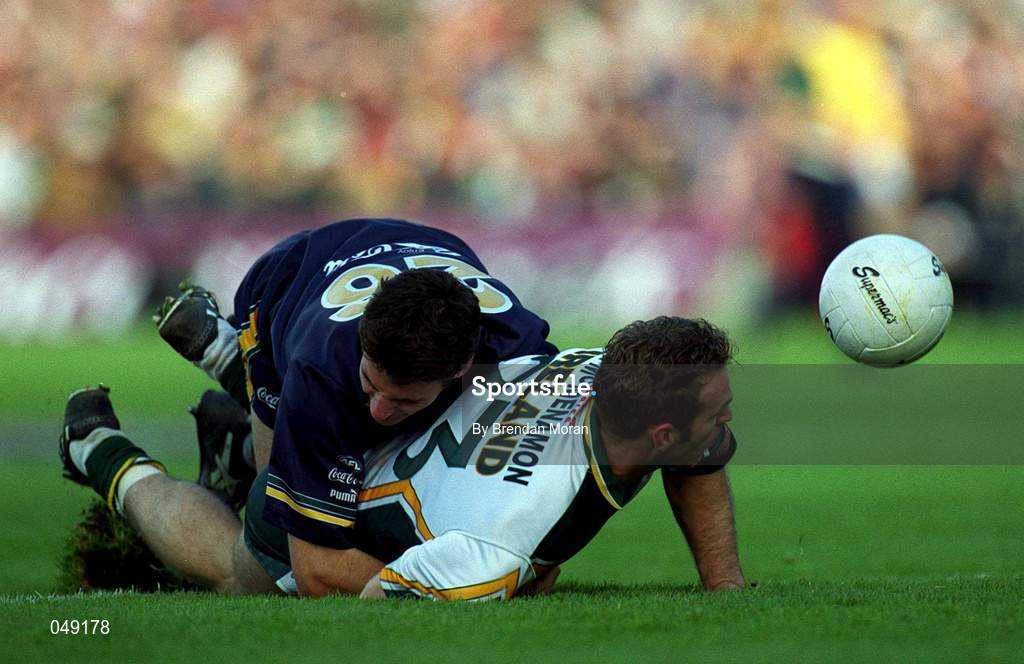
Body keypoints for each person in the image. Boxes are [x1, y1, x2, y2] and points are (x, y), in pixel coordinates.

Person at [58, 316, 746, 598]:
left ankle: (244, 381)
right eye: (717, 409)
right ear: (659, 437)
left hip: (367, 420)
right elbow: (373, 595)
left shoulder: (605, 367)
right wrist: (517, 584)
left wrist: (727, 588)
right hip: (332, 504)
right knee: (239, 565)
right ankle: (104, 454)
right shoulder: (499, 544)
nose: (729, 416)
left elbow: (698, 456)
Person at [147, 217, 558, 594]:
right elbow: (316, 573)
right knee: (267, 552)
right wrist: (449, 586)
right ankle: (96, 445)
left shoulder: (516, 359)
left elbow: (538, 493)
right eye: (371, 384)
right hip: (286, 284)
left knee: (418, 449)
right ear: (364, 336)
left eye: (403, 399)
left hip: (409, 255)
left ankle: (233, 430)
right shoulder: (321, 369)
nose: (378, 410)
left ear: (463, 368)